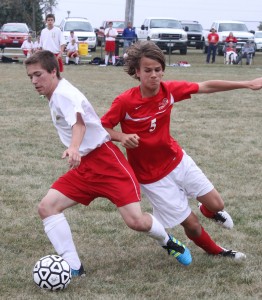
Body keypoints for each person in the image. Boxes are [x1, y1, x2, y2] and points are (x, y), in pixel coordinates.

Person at [25, 50, 193, 277]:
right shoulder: (57, 93)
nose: (34, 81)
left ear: (53, 71)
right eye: (30, 77)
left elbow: (79, 124)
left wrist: (73, 147)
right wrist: (77, 151)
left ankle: (168, 241)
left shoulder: (63, 94)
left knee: (136, 221)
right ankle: (74, 267)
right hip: (85, 166)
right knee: (47, 208)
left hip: (107, 163)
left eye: (38, 75)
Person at [101, 41, 262, 262]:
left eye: (158, 70)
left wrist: (246, 84)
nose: (154, 75)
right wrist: (121, 136)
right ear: (137, 72)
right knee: (191, 224)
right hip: (151, 177)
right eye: (148, 70)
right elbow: (100, 127)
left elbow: (205, 86)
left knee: (217, 205)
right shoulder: (125, 101)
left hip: (177, 160)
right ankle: (217, 251)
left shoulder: (169, 91)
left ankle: (208, 211)